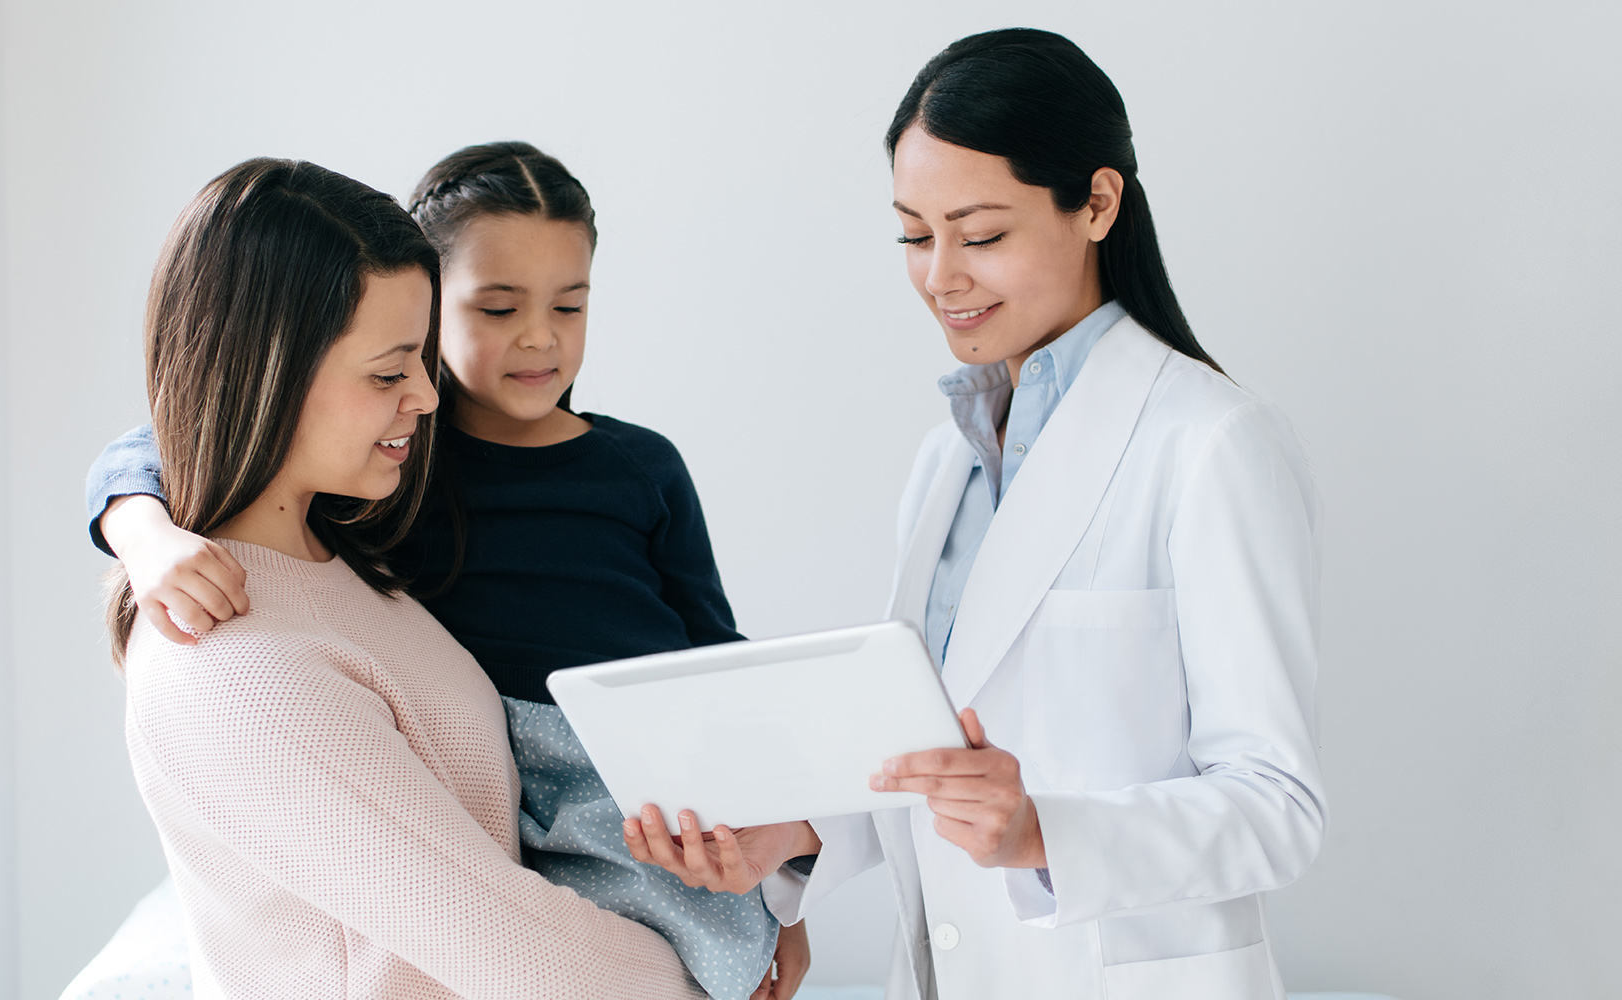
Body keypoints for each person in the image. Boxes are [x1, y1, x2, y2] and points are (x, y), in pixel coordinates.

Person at [623, 28, 1327, 1000]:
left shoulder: (1211, 443)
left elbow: (1275, 809)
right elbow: (924, 754)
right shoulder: (947, 456)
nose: (940, 274)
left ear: (1097, 202)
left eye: (981, 234)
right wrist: (790, 834)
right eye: (915, 234)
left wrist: (1044, 832)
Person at [90, 144, 804, 1000]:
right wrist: (135, 524)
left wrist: (788, 898)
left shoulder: (351, 538)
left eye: (570, 304)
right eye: (395, 369)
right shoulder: (242, 652)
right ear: (270, 374)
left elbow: (720, 659)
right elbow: (533, 960)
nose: (424, 397)